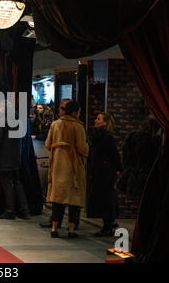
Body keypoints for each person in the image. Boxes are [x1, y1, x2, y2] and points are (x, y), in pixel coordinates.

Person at [45, 100, 88, 238]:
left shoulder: (55, 124)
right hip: (74, 166)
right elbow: (82, 147)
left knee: (58, 199)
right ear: (75, 112)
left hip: (58, 165)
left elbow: (47, 144)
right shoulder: (78, 126)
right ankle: (71, 230)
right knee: (74, 200)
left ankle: (54, 228)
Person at [0, 102, 30, 220]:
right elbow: (25, 140)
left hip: (4, 158)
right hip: (17, 157)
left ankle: (10, 211)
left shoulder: (3, 121)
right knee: (17, 183)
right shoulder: (19, 121)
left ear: (3, 108)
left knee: (7, 184)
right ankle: (24, 210)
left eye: (0, 107)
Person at [87, 112, 122, 236]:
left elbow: (114, 155)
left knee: (106, 198)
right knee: (103, 198)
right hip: (99, 171)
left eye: (98, 119)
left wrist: (119, 169)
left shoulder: (107, 137)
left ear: (105, 123)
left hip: (106, 172)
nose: (95, 120)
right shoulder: (97, 136)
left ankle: (108, 225)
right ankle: (108, 223)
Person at [119, 115, 162, 200]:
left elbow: (126, 157)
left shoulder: (133, 137)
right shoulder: (157, 142)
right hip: (151, 179)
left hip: (134, 177)